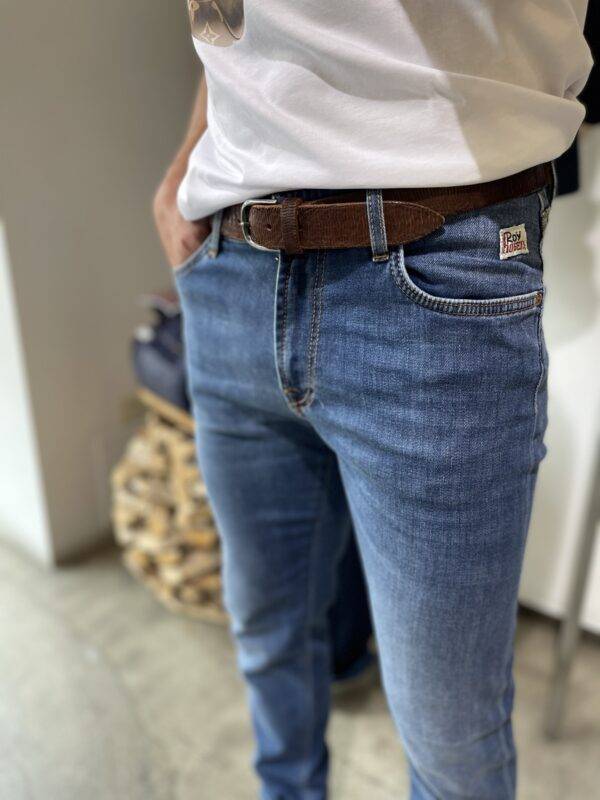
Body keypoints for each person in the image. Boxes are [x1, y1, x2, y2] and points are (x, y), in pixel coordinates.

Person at [153, 3, 592, 798]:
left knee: (450, 734)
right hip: (230, 264)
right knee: (267, 636)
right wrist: (189, 153)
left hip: (438, 268)